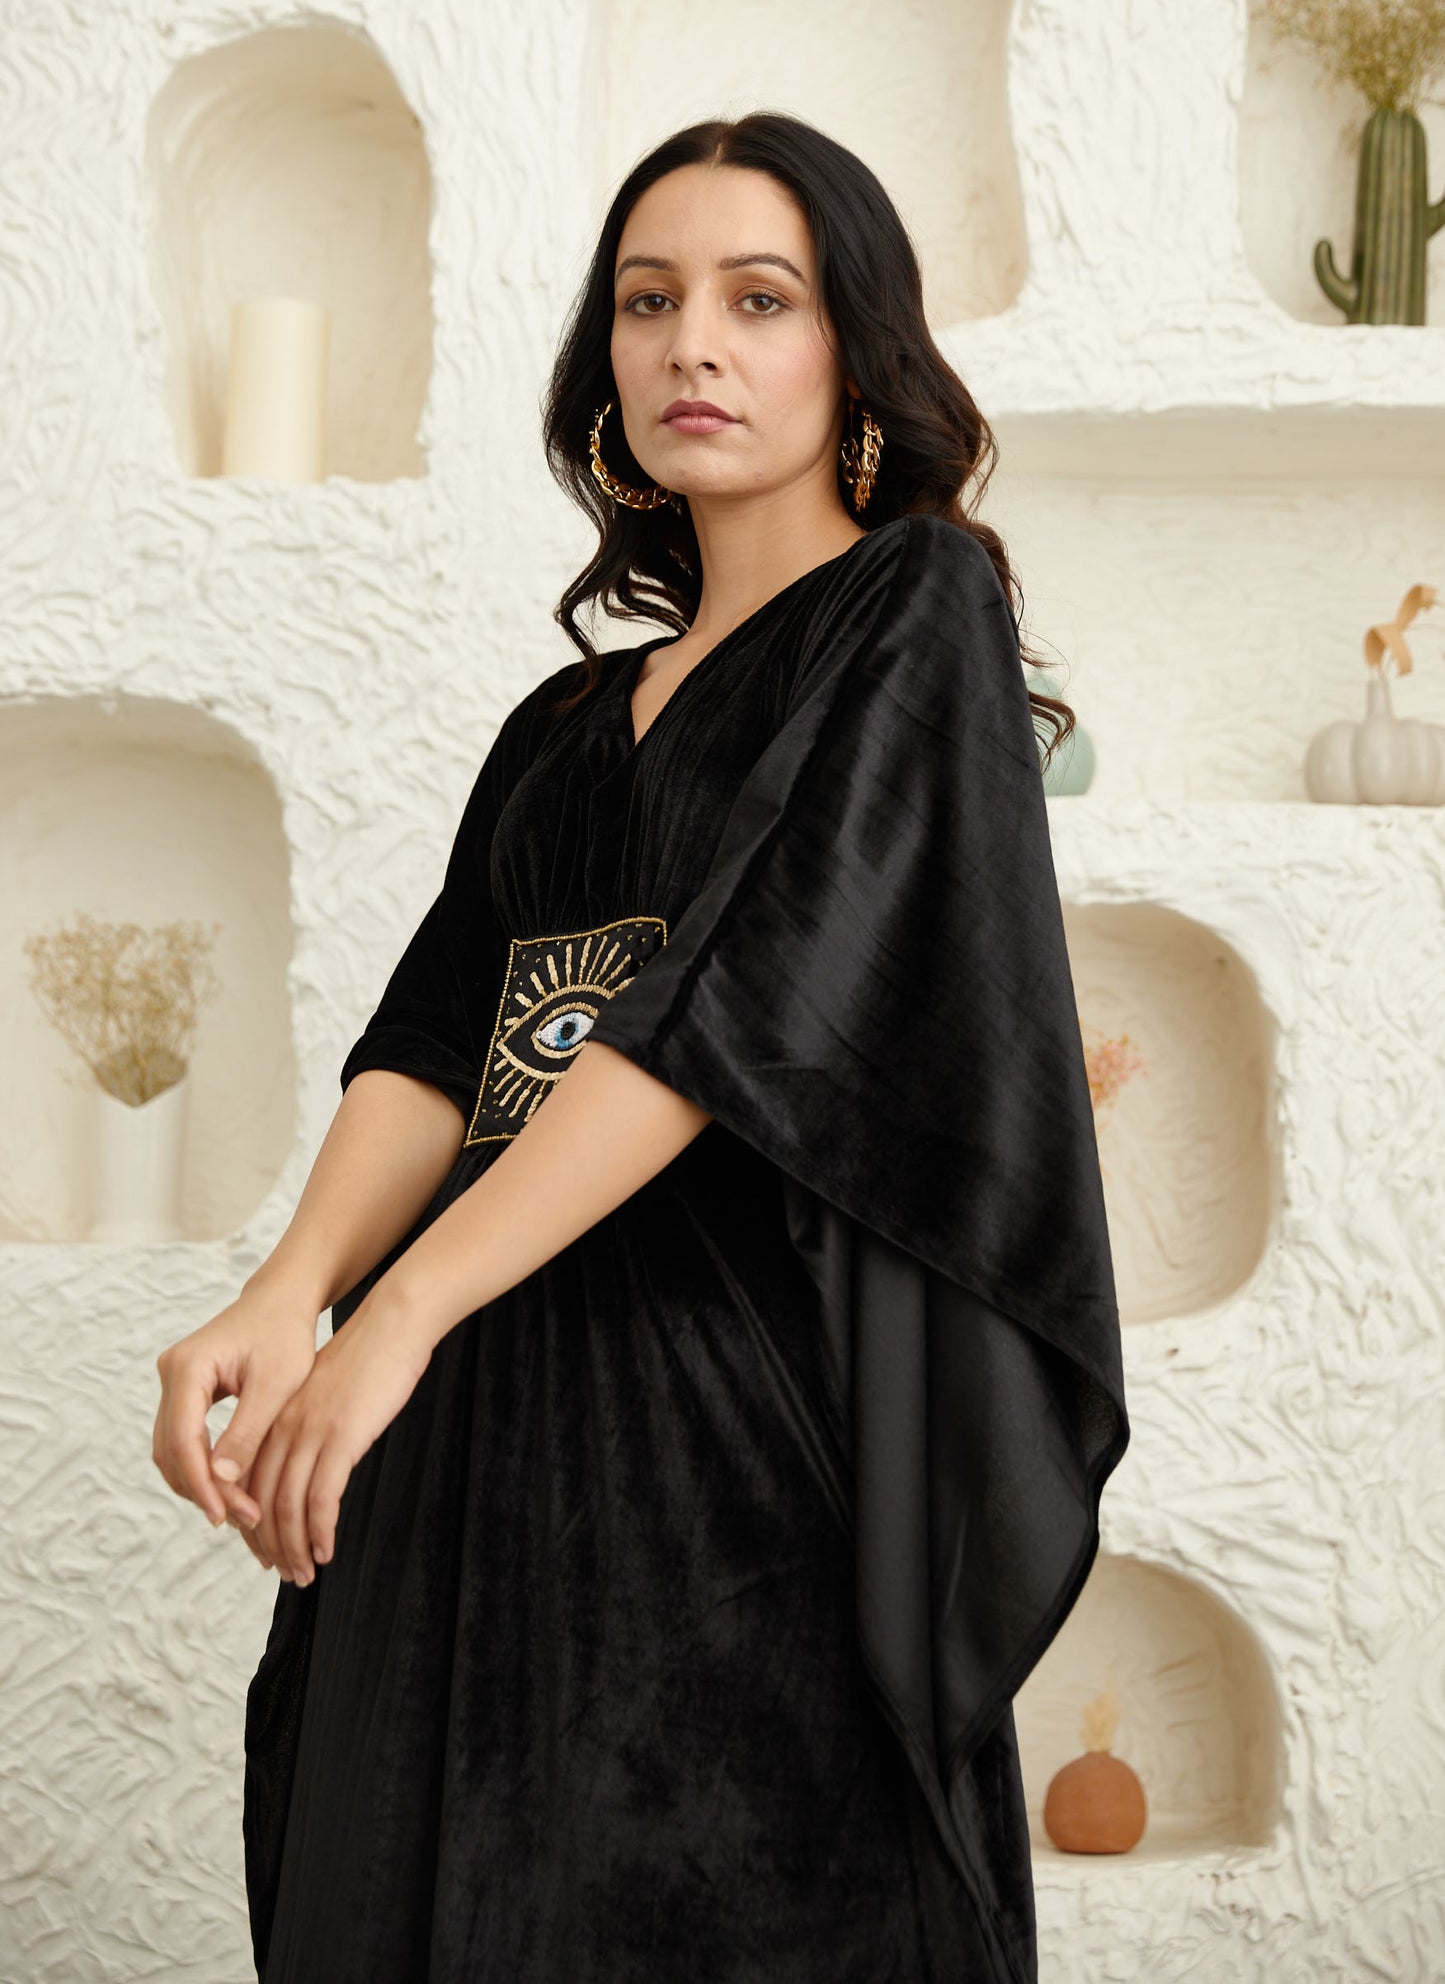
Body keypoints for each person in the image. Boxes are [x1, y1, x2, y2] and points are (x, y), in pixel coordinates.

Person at [152, 109, 1130, 1983]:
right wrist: (285, 1300)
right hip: (451, 1429)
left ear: (853, 347)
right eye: (647, 299)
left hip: (720, 1452)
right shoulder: (558, 723)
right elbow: (437, 1037)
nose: (693, 343)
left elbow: (729, 1011)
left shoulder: (911, 612)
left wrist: (397, 1316)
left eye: (760, 300)